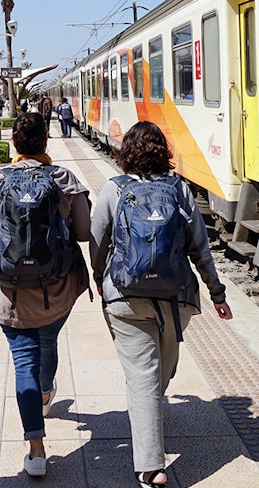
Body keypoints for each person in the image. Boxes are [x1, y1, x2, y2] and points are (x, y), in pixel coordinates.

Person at [88, 121, 233, 488]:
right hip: (176, 298)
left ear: (126, 153)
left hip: (125, 299)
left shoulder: (114, 189)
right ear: (162, 152)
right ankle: (151, 461)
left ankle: (149, 445)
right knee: (155, 373)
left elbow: (97, 241)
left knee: (145, 377)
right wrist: (216, 294)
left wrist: (101, 280)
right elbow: (200, 248)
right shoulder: (180, 189)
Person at [0, 112, 91, 477]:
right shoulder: (63, 178)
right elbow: (84, 232)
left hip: (10, 295)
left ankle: (36, 451)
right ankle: (46, 392)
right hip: (56, 289)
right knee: (47, 341)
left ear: (14, 144)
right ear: (46, 142)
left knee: (24, 362)